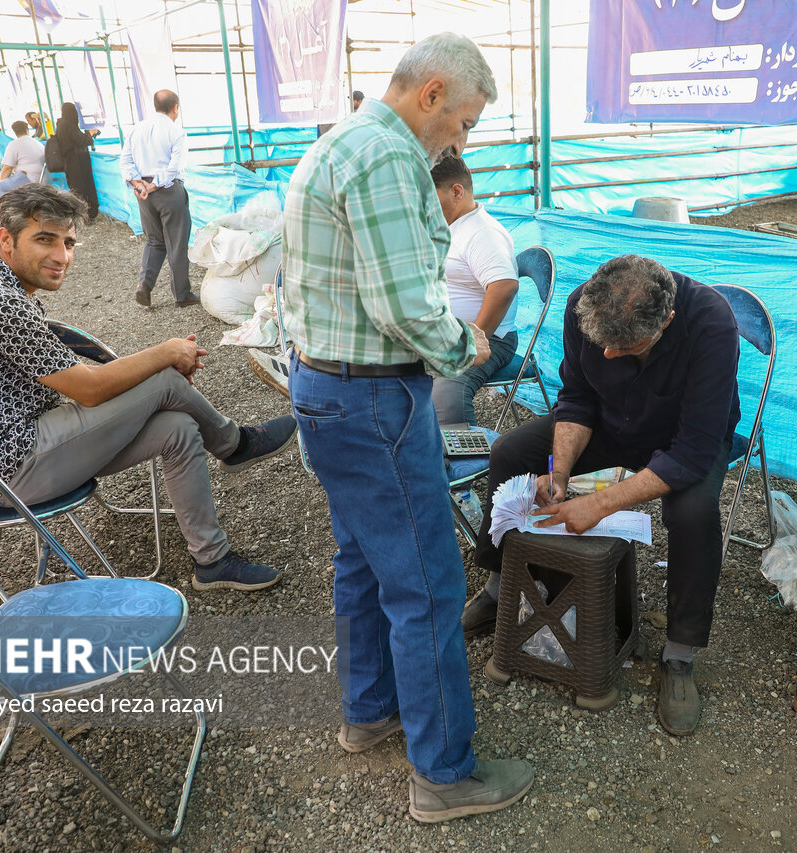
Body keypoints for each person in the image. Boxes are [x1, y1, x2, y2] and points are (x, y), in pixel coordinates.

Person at [282, 32, 534, 823]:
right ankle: (444, 773)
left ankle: (369, 711)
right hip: (371, 399)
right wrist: (473, 344)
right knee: (427, 583)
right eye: (460, 123)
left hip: (326, 386)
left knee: (362, 558)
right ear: (430, 94)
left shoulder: (338, 144)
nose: (459, 143)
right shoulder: (389, 159)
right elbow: (407, 306)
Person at [0, 184, 298, 592]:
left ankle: (212, 561)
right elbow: (89, 390)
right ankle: (235, 445)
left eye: (68, 242)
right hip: (8, 469)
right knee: (163, 378)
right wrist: (166, 351)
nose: (62, 256)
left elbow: (75, 377)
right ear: (5, 239)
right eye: (45, 239)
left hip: (19, 446)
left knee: (179, 429)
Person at [464, 254, 742, 737]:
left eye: (625, 346)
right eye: (602, 344)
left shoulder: (712, 322)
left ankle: (679, 653)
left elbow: (695, 451)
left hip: (682, 436)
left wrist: (601, 502)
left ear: (666, 322)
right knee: (510, 452)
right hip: (612, 422)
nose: (609, 355)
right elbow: (577, 398)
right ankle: (499, 587)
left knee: (695, 511)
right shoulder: (582, 306)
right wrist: (561, 471)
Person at [428, 155, 519, 426]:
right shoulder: (451, 226)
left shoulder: (482, 232)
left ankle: (464, 463)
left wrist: (473, 340)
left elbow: (504, 287)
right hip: (448, 331)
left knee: (445, 390)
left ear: (457, 191)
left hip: (491, 338)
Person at [120, 89, 196, 308]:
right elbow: (175, 166)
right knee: (177, 243)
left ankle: (144, 285)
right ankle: (181, 295)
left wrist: (138, 183)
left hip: (143, 194)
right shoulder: (176, 132)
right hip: (168, 191)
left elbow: (125, 161)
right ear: (175, 108)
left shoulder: (136, 130)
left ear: (155, 106)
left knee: (154, 240)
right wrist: (153, 186)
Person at [55, 102, 99, 222]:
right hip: (78, 163)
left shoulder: (61, 125)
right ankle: (87, 215)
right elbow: (81, 140)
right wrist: (90, 133)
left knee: (75, 188)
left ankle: (80, 215)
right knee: (83, 188)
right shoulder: (69, 125)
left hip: (69, 163)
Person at [0, 121, 46, 202]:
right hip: (43, 178)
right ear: (27, 130)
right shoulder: (38, 143)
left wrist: (2, 182)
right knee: (13, 179)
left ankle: (4, 211)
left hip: (29, 179)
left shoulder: (14, 144)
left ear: (15, 132)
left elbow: (7, 168)